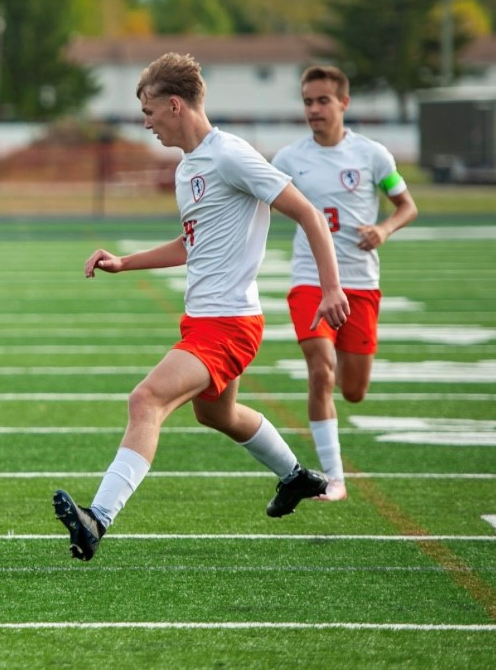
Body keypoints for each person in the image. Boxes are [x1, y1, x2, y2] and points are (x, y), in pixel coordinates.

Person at [52, 52, 350, 562]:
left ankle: (97, 519)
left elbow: (308, 214)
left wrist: (331, 288)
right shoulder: (189, 166)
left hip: (229, 324)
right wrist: (126, 262)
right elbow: (194, 243)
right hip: (206, 320)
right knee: (218, 414)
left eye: (149, 112)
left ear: (174, 105)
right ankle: (295, 476)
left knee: (145, 401)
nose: (146, 124)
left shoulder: (230, 153)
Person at [272, 66, 417, 502]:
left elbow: (406, 205)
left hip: (361, 285)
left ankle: (334, 415)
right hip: (309, 281)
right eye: (307, 101)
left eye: (322, 101)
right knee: (321, 371)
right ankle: (334, 478)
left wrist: (385, 229)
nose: (314, 110)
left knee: (353, 390)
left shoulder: (373, 155)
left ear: (343, 104)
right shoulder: (288, 159)